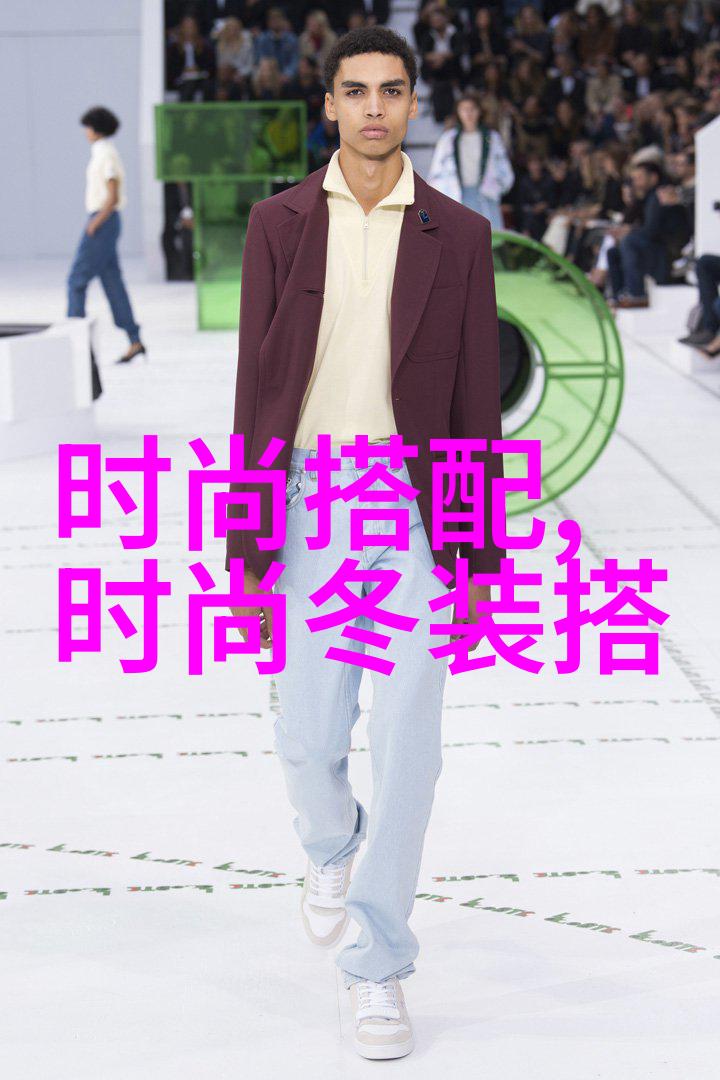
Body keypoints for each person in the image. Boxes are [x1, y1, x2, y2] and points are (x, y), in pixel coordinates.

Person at [224, 25, 505, 1061]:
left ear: (412, 103)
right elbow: (256, 389)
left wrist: (479, 555)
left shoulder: (459, 235)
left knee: (409, 741)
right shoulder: (279, 223)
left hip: (419, 506)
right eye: (357, 91)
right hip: (309, 497)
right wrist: (246, 540)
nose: (375, 107)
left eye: (392, 90)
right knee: (308, 736)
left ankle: (378, 964)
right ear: (331, 104)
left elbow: (477, 400)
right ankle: (332, 843)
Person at [67, 107, 145, 365]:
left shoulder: (106, 153)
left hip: (102, 220)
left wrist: (95, 223)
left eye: (88, 127)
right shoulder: (104, 151)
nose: (85, 132)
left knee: (76, 280)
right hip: (106, 221)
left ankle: (74, 341)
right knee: (113, 283)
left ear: (96, 128)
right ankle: (134, 339)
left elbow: (112, 194)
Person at [427, 89, 514, 230]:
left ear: (479, 111)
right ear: (458, 112)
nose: (468, 114)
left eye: (472, 109)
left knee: (489, 238)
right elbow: (436, 173)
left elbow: (505, 171)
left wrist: (496, 188)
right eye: (463, 109)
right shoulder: (448, 139)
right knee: (459, 238)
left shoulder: (492, 138)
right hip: (456, 197)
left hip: (486, 198)